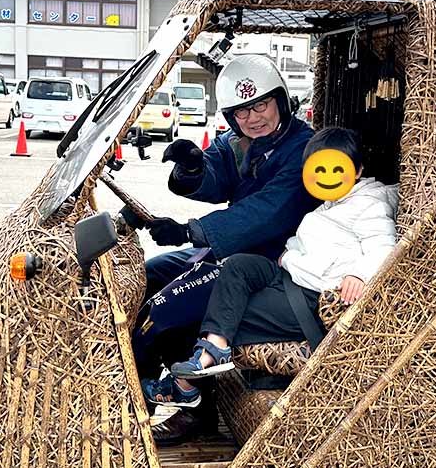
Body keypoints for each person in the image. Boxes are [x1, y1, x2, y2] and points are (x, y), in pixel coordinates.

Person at [122, 54, 318, 438]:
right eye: (241, 111)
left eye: (261, 104)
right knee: (152, 273)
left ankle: (150, 411)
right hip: (228, 249)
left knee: (160, 312)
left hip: (267, 261)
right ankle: (190, 401)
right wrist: (191, 168)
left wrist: (189, 230)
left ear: (281, 100)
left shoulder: (302, 148)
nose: (253, 117)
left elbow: (269, 212)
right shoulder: (240, 142)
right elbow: (214, 175)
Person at [143, 127, 399, 409]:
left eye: (337, 168)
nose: (326, 177)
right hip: (288, 274)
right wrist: (289, 253)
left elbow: (385, 245)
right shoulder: (330, 202)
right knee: (238, 265)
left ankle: (187, 384)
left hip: (308, 296)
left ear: (358, 170)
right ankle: (215, 348)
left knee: (216, 309)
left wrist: (359, 274)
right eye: (318, 169)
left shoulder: (369, 205)